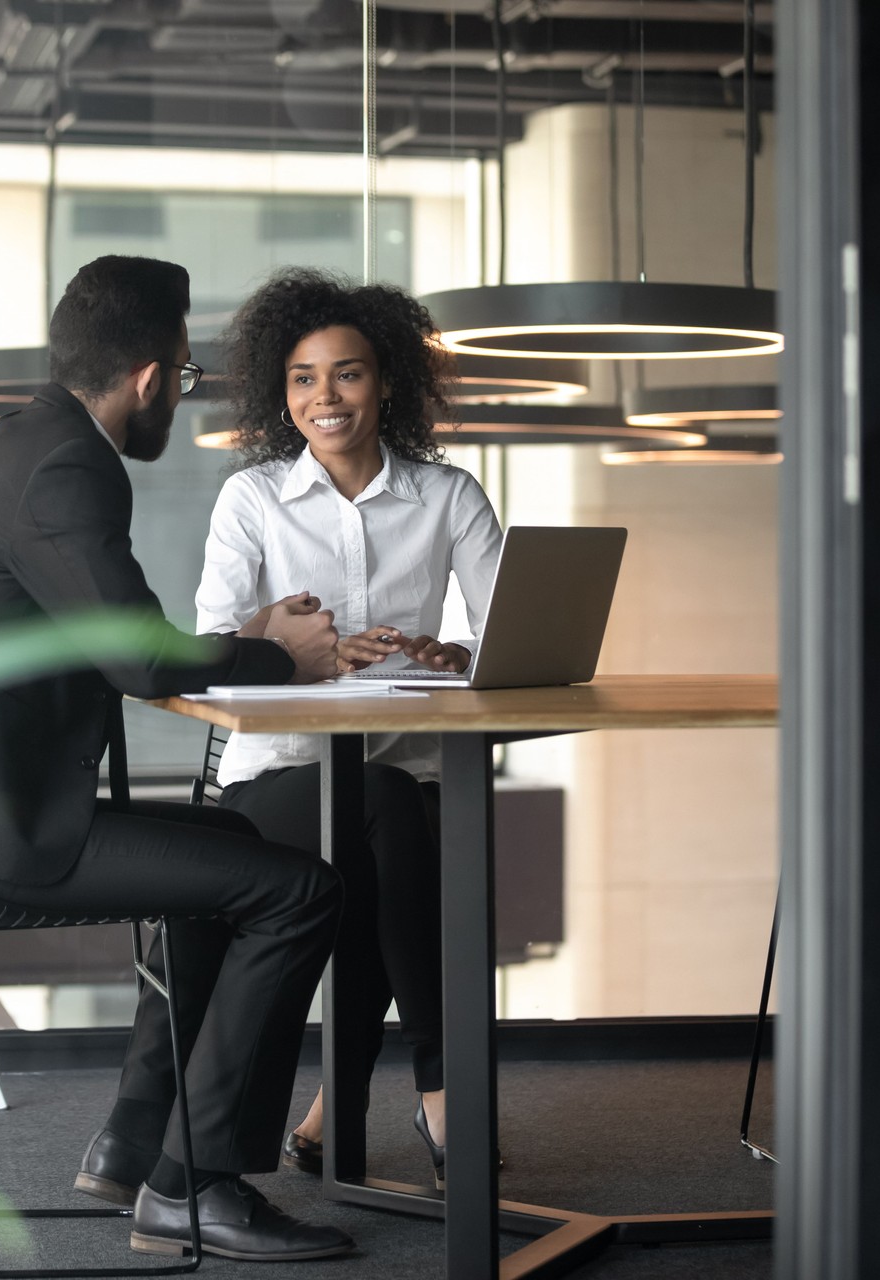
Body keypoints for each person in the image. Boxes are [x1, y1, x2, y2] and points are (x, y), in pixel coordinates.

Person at [0, 255, 358, 1262]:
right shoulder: (65, 466)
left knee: (225, 845)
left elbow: (114, 632)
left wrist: (252, 635)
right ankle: (195, 1180)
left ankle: (139, 1136)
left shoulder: (36, 441)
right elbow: (135, 657)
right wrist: (278, 653)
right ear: (148, 376)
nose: (182, 393)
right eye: (185, 373)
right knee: (300, 891)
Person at [196, 268, 504, 1189]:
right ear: (279, 394)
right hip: (275, 781)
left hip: (408, 771)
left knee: (386, 823)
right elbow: (211, 642)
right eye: (302, 377)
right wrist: (301, 649)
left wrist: (453, 653)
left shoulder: (449, 497)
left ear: (389, 384)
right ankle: (448, 1090)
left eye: (348, 374)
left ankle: (335, 1112)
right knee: (382, 807)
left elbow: (506, 636)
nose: (324, 396)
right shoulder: (250, 500)